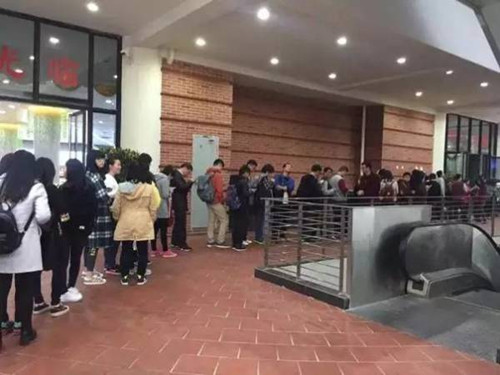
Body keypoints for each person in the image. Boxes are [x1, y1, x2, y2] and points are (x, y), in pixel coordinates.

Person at [0, 150, 51, 347]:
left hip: (2, 245)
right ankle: (25, 331)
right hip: (26, 246)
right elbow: (44, 216)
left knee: (1, 290)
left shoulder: (1, 182)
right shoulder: (35, 187)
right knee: (25, 290)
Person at [32, 158, 70, 318]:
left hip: (35, 235)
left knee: (34, 269)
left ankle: (38, 301)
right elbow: (64, 213)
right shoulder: (53, 190)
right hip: (54, 235)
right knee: (59, 267)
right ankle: (56, 302)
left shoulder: (30, 189)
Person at [112, 162, 160, 286]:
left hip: (126, 220)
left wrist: (117, 218)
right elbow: (153, 207)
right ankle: (140, 276)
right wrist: (151, 219)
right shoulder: (149, 188)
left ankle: (125, 276)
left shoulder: (121, 187)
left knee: (126, 249)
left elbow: (116, 207)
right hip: (143, 220)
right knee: (143, 250)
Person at [58, 159, 97, 304]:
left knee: (63, 260)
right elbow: (94, 209)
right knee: (75, 259)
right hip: (81, 230)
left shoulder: (64, 189)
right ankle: (71, 286)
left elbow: (61, 210)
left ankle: (61, 289)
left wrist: (64, 222)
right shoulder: (89, 188)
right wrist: (88, 227)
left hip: (66, 230)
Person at [83, 150, 111, 286]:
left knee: (88, 244)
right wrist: (110, 195)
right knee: (93, 244)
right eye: (99, 159)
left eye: (103, 159)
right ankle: (89, 274)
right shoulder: (95, 176)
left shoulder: (86, 174)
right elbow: (103, 196)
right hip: (97, 214)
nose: (102, 162)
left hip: (88, 213)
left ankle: (88, 270)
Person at [152, 165, 177, 258]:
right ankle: (165, 250)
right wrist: (171, 191)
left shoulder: (155, 178)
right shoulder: (165, 180)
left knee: (154, 230)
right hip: (162, 207)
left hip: (155, 206)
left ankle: (154, 249)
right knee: (163, 231)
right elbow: (165, 194)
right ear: (170, 174)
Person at [103, 156, 122, 276]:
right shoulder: (107, 179)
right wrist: (119, 193)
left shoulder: (113, 179)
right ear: (110, 166)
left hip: (112, 212)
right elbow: (108, 194)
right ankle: (109, 264)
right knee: (112, 240)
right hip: (110, 212)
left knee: (113, 239)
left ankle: (111, 263)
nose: (119, 167)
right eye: (118, 164)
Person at [206, 159, 230, 249]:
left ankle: (210, 240)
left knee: (211, 220)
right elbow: (219, 190)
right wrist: (222, 198)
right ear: (219, 165)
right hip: (216, 201)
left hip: (209, 200)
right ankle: (220, 240)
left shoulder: (208, 174)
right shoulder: (218, 175)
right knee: (224, 219)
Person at [170, 163, 194, 251]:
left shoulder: (177, 176)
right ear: (185, 168)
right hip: (179, 203)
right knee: (181, 223)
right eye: (188, 172)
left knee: (178, 223)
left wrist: (189, 184)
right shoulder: (177, 175)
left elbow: (184, 188)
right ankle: (182, 243)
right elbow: (182, 187)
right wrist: (190, 182)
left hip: (179, 202)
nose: (188, 174)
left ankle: (175, 241)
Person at [297, 164, 324, 240]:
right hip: (312, 203)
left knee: (306, 220)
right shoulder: (313, 180)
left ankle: (306, 236)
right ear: (317, 171)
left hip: (305, 202)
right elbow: (316, 191)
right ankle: (309, 236)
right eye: (320, 172)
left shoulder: (304, 178)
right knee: (311, 220)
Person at [230, 165, 251, 251]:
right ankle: (238, 244)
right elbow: (246, 194)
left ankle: (235, 243)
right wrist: (252, 191)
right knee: (241, 225)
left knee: (236, 225)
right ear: (245, 173)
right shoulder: (244, 182)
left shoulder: (234, 180)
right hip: (242, 206)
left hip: (235, 206)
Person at [254, 164, 275, 244]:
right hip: (262, 203)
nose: (272, 175)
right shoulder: (262, 180)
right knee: (261, 220)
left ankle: (260, 236)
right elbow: (266, 191)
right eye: (271, 173)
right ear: (267, 172)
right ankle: (259, 237)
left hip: (262, 203)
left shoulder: (266, 180)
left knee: (262, 220)